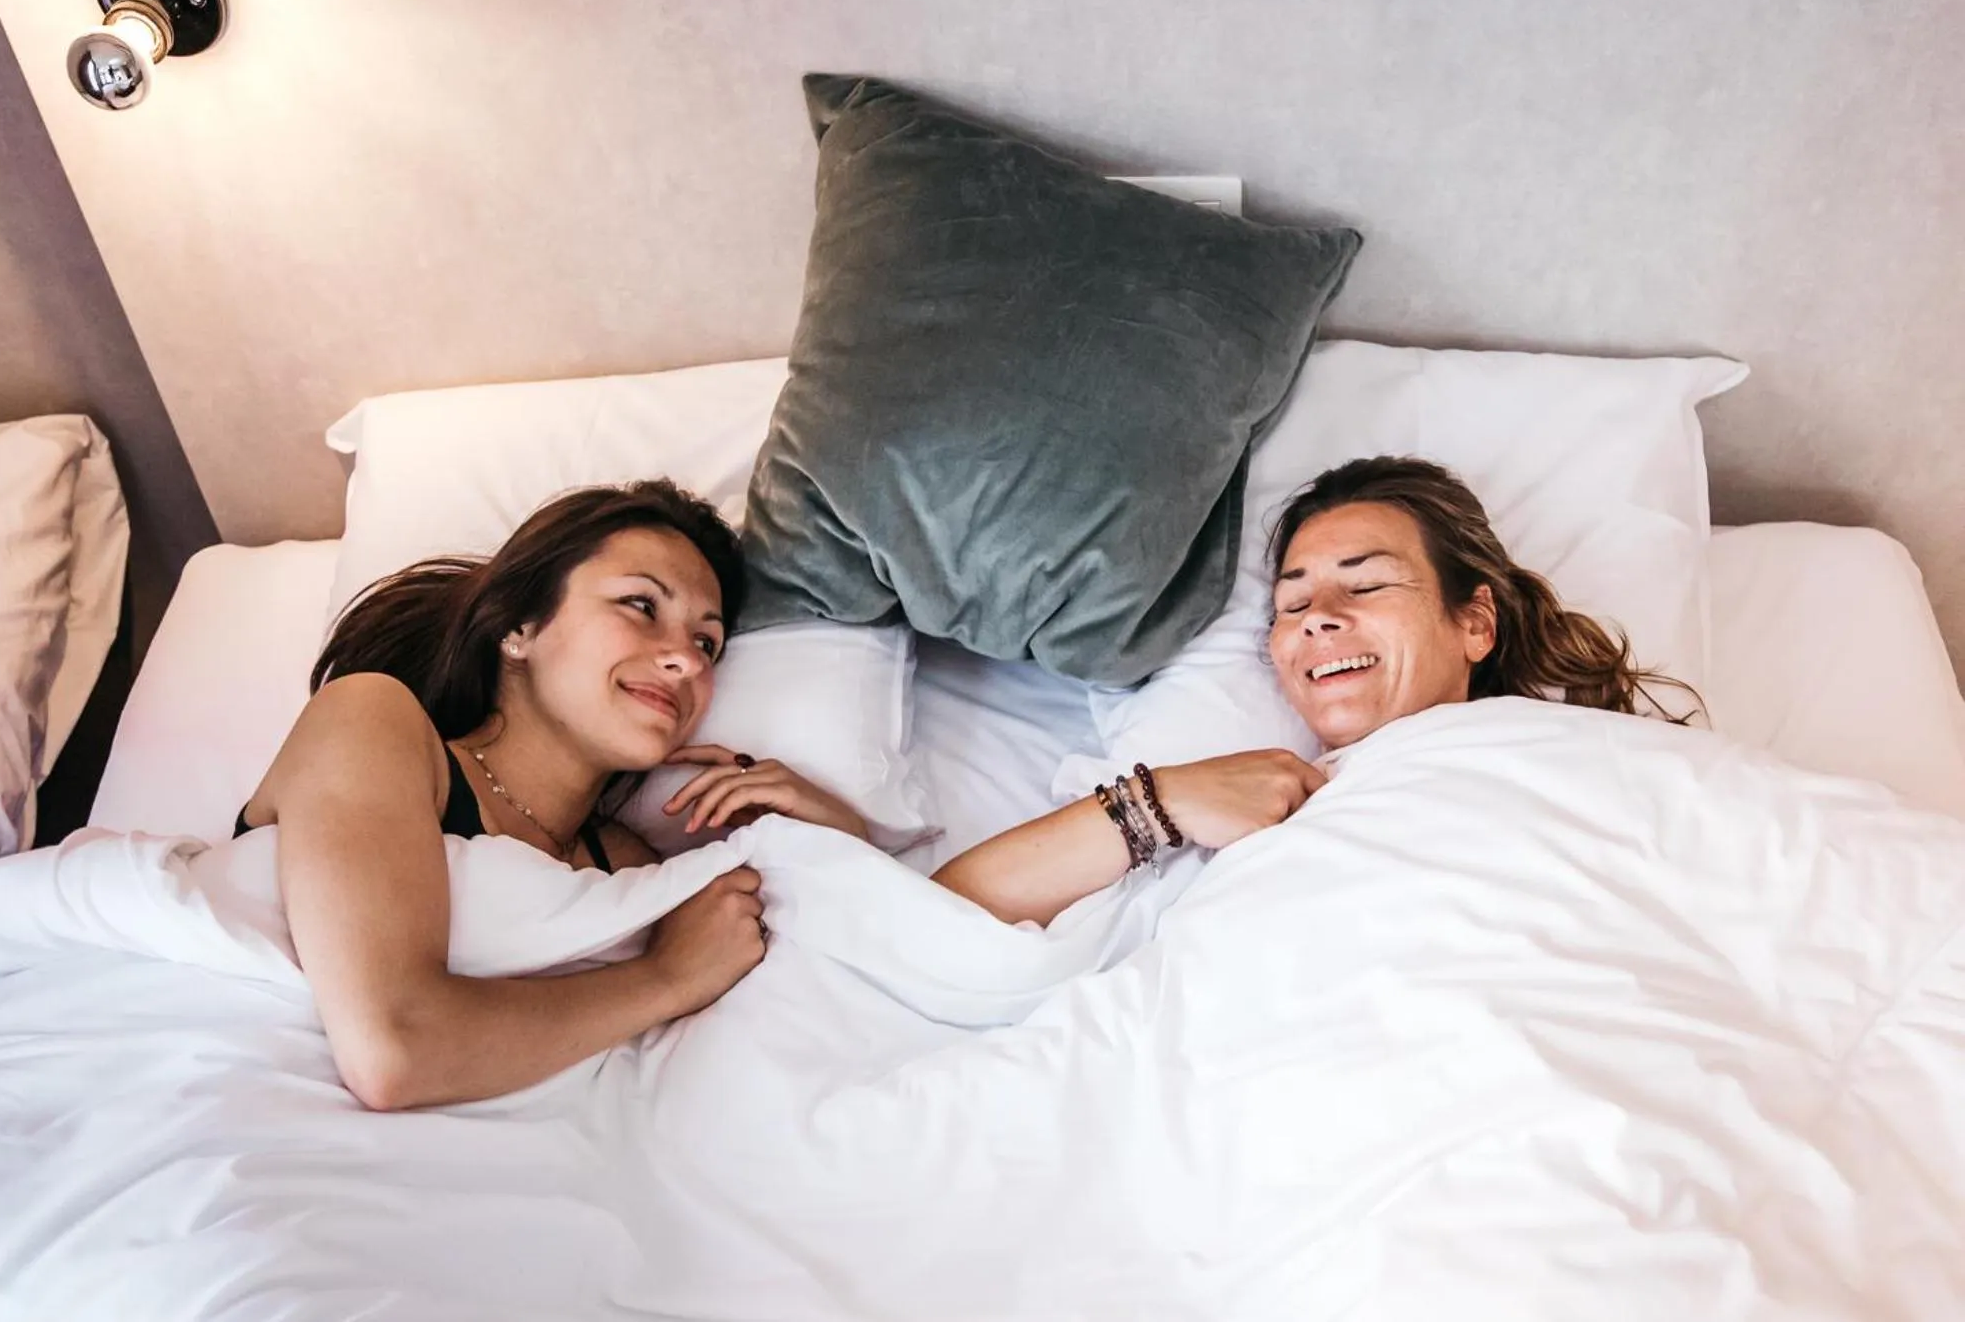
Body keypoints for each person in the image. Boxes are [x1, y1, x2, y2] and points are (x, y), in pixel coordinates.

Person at [234, 481, 865, 1110]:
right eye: (641, 605)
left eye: (708, 643)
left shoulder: (627, 869)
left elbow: (819, 988)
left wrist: (822, 832)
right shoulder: (371, 720)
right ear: (520, 627)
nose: (687, 661)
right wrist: (664, 978)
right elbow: (393, 1053)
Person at [933, 455, 1691, 926]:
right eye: (1292, 603)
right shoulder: (1251, 810)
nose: (1319, 617)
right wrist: (1164, 798)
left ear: (1475, 621)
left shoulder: (1593, 764)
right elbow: (937, 921)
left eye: (1366, 584)